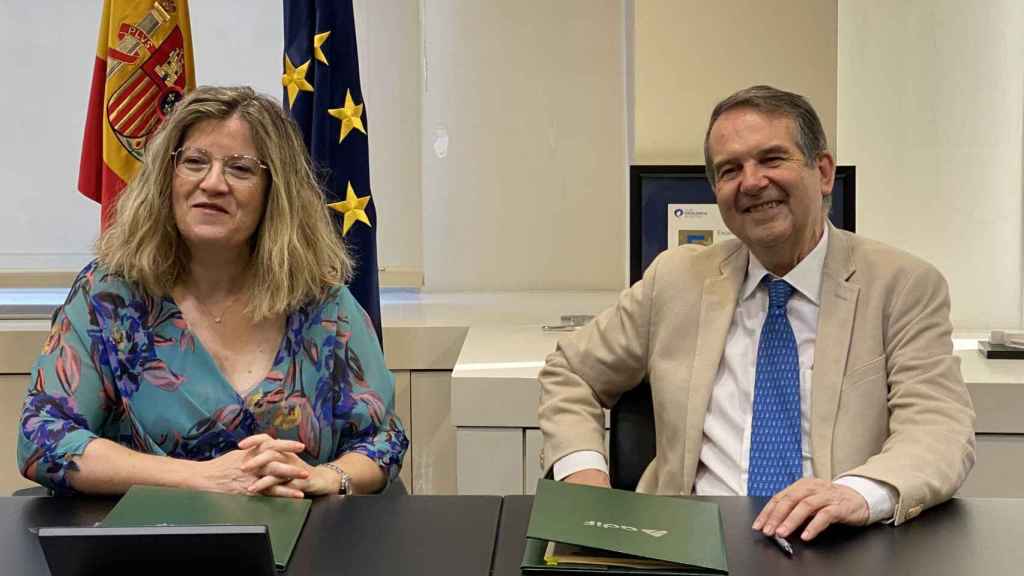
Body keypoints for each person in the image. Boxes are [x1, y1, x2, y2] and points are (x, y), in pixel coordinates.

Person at [538, 85, 975, 541]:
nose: (751, 182)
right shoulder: (675, 280)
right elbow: (572, 371)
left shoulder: (901, 285)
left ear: (823, 172)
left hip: (839, 541)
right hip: (684, 542)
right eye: (731, 170)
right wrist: (583, 478)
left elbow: (939, 426)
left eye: (772, 159)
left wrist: (858, 493)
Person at [17, 86, 407, 498]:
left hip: (302, 539)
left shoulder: (321, 303)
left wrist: (325, 477)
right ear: (168, 177)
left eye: (240, 169)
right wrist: (204, 479)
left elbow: (382, 440)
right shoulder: (110, 295)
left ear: (276, 191)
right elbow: (44, 438)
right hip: (148, 542)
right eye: (195, 162)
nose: (213, 183)